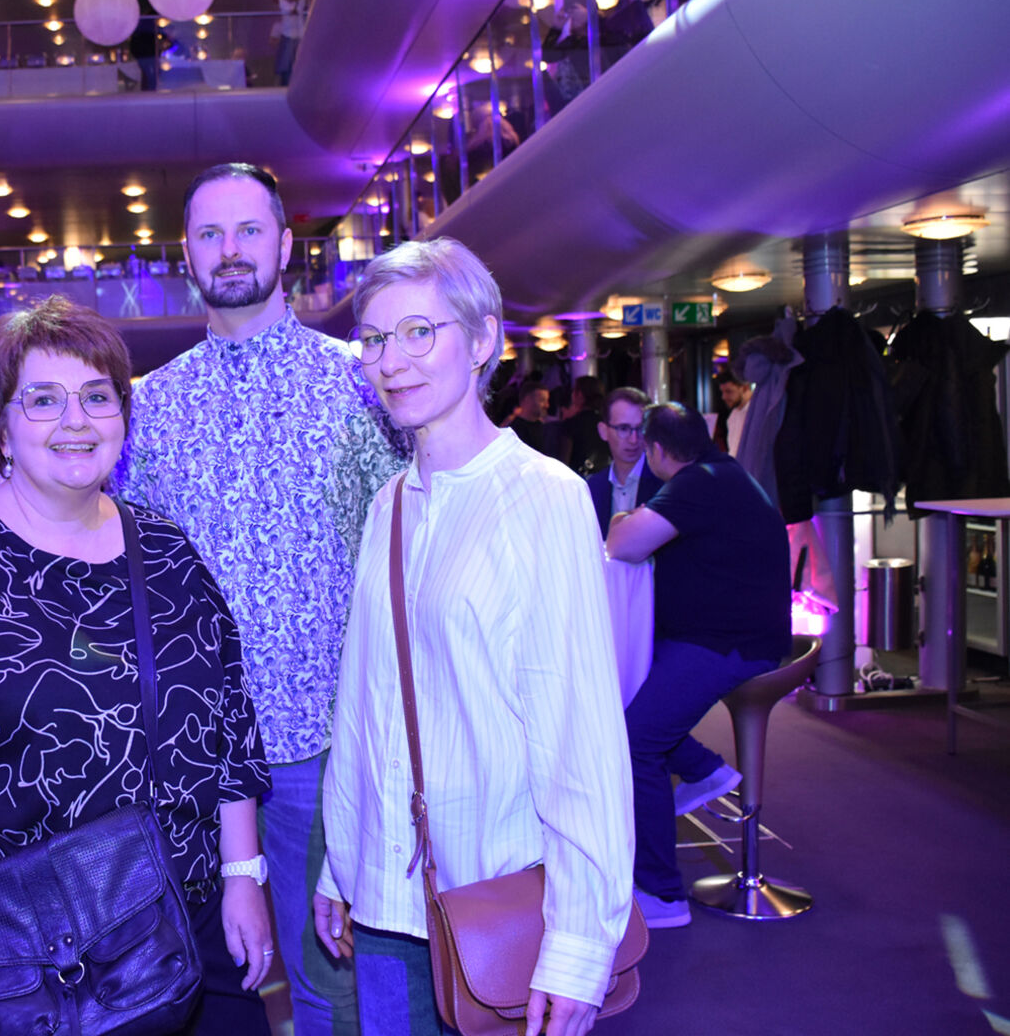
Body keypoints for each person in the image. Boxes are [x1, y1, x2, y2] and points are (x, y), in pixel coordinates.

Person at [0, 297, 275, 1036]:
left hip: (186, 923)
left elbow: (227, 729)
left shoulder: (167, 553)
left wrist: (242, 877)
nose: (76, 420)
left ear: (122, 417)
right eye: (43, 400)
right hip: (31, 954)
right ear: (1, 428)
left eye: (97, 397)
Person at [315, 238, 633, 1036]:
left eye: (418, 332)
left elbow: (578, 732)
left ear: (483, 339)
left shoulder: (541, 497)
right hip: (384, 894)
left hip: (494, 895)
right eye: (375, 339)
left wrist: (577, 946)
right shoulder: (389, 504)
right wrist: (339, 863)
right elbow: (364, 700)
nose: (392, 361)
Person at [115, 162, 403, 1036]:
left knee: (328, 983)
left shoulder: (359, 384)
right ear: (186, 252)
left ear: (284, 245)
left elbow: (405, 556)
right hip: (189, 757)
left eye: (248, 230)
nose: (229, 249)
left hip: (323, 743)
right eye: (210, 233)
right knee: (191, 988)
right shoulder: (150, 406)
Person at [605, 402, 791, 929]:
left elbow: (623, 544)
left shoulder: (697, 483)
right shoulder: (724, 474)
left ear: (657, 450)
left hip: (729, 644)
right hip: (735, 636)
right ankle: (702, 768)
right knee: (632, 702)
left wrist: (619, 518)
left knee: (636, 740)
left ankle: (662, 895)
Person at [585, 386, 661, 537]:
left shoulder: (664, 483)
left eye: (640, 428)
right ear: (603, 431)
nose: (633, 439)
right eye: (623, 428)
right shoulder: (592, 487)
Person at [262, 0, 309, 86]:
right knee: (286, 65)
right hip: (288, 37)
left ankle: (296, 84)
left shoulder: (301, 4)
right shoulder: (286, 5)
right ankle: (285, 85)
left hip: (298, 37)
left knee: (297, 64)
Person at [561, 374, 608, 474]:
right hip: (605, 475)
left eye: (574, 391)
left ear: (580, 395)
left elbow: (563, 462)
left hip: (580, 477)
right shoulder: (608, 423)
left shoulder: (571, 424)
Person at [505, 381, 551, 454]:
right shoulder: (514, 431)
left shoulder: (545, 428)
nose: (547, 405)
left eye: (547, 401)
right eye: (542, 400)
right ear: (527, 400)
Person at [716, 366, 752, 455]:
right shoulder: (733, 416)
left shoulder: (756, 415)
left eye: (729, 391)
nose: (723, 397)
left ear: (745, 388)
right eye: (722, 392)